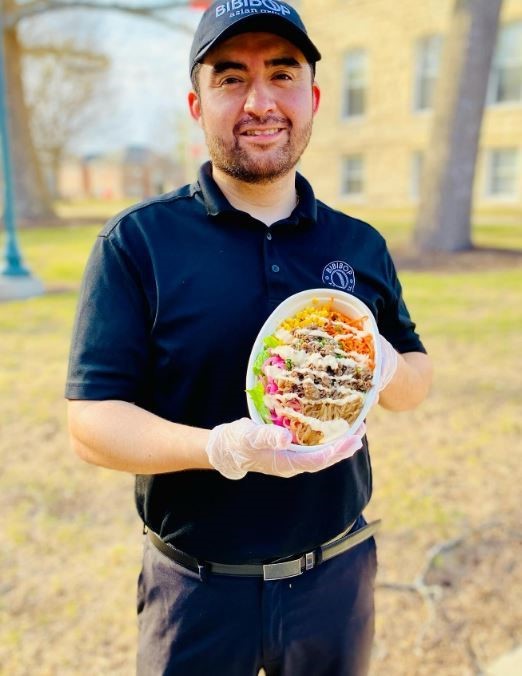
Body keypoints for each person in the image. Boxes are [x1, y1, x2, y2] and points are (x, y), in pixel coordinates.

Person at [65, 1, 433, 674]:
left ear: (314, 97)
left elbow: (414, 378)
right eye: (231, 78)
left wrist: (385, 367)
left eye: (283, 73)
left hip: (335, 577)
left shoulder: (359, 244)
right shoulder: (139, 243)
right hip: (195, 593)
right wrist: (217, 447)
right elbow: (91, 423)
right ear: (196, 103)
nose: (260, 100)